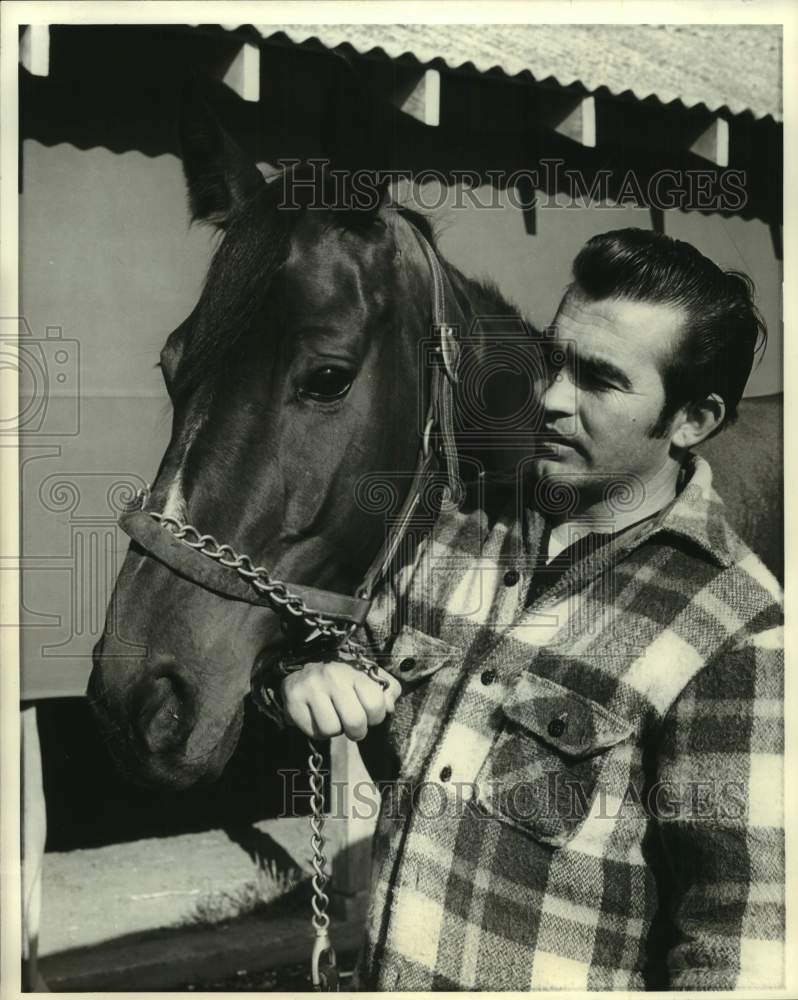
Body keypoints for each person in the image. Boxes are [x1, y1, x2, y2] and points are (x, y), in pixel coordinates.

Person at [279, 229, 784, 990]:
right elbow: (337, 660)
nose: (550, 399)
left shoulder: (734, 626)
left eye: (600, 380)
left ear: (693, 420)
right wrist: (300, 678)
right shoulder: (456, 525)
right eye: (553, 359)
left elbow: (742, 945)